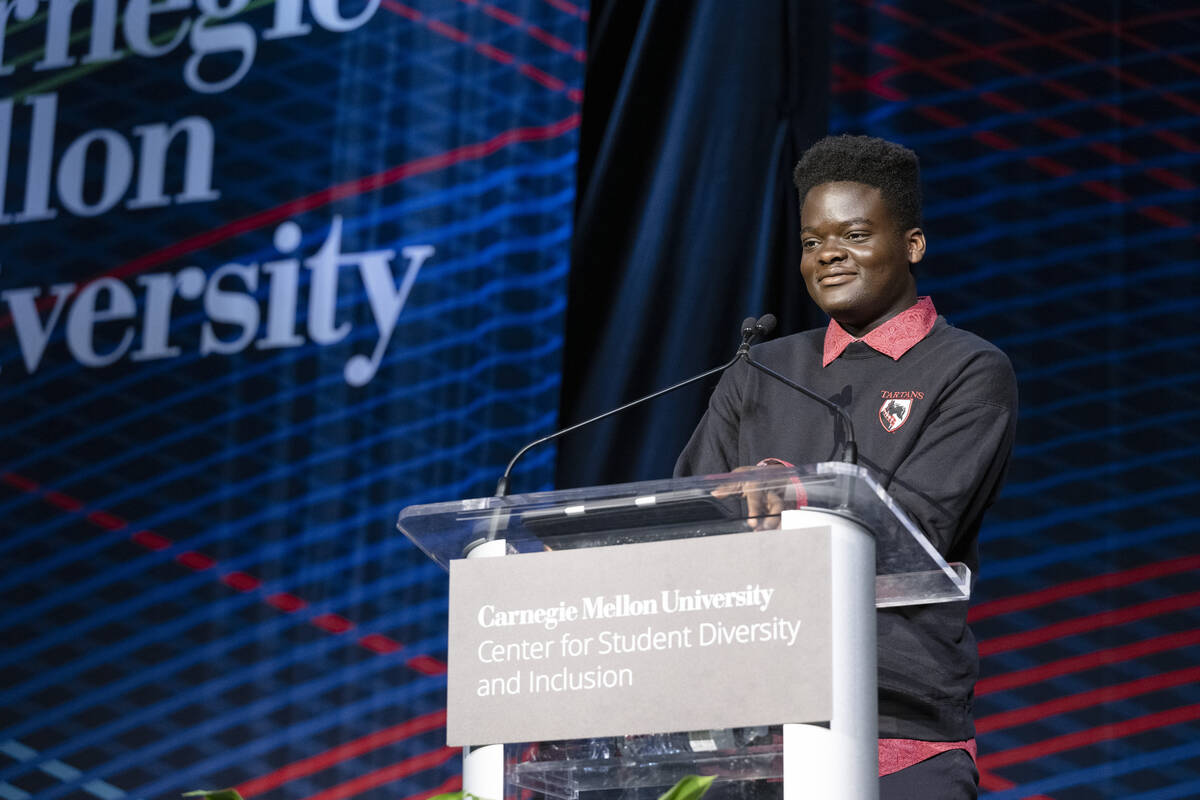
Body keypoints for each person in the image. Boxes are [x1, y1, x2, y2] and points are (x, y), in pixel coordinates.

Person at [675, 135, 1018, 799]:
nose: (828, 254)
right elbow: (691, 516)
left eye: (854, 234)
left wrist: (792, 489)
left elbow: (917, 524)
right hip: (757, 726)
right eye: (811, 241)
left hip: (898, 732)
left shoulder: (969, 371)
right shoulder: (760, 368)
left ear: (912, 244)